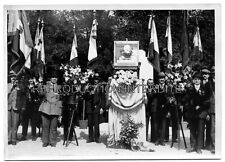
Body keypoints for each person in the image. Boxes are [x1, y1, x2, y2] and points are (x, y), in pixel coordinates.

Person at [186, 72, 211, 154]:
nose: (196, 81)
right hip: (192, 112)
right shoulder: (190, 88)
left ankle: (198, 147)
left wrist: (200, 106)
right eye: (195, 79)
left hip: (201, 112)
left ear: (200, 81)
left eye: (198, 79)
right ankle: (193, 146)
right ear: (193, 80)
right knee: (192, 130)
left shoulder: (205, 88)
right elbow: (186, 100)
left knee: (200, 130)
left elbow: (207, 101)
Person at [38, 70, 62, 147]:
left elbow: (61, 98)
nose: (54, 79)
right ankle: (45, 141)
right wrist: (39, 84)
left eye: (56, 77)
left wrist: (60, 111)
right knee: (45, 126)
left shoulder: (60, 87)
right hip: (46, 109)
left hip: (55, 108)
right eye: (53, 77)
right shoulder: (45, 86)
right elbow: (40, 93)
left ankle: (52, 141)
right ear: (50, 78)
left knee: (54, 126)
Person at [84, 74, 104, 143]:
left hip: (97, 106)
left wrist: (102, 107)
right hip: (90, 106)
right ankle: (90, 137)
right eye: (95, 79)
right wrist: (87, 91)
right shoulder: (89, 87)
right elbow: (85, 97)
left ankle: (97, 137)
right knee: (90, 123)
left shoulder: (100, 87)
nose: (96, 81)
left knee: (96, 123)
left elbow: (102, 98)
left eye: (97, 79)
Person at [8, 72, 27, 145]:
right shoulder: (7, 85)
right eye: (12, 77)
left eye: (14, 77)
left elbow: (24, 96)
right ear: (10, 78)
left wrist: (23, 106)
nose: (13, 78)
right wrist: (12, 86)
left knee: (15, 123)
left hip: (16, 107)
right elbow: (6, 93)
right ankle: (8, 139)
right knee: (8, 124)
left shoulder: (20, 86)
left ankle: (13, 139)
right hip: (8, 107)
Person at [21, 75, 41, 141]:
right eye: (29, 79)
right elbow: (23, 94)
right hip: (26, 106)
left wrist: (35, 90)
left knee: (33, 122)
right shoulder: (25, 87)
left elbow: (38, 96)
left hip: (33, 107)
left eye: (32, 79)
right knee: (25, 122)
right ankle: (24, 135)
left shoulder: (36, 87)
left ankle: (33, 135)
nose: (31, 81)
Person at [155, 72, 170, 146]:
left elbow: (170, 98)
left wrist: (169, 110)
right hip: (157, 108)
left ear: (165, 79)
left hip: (165, 108)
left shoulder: (168, 87)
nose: (161, 80)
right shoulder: (156, 87)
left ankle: (162, 140)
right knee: (157, 125)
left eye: (163, 78)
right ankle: (157, 139)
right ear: (158, 79)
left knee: (164, 125)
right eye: (160, 78)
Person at [201, 67, 212, 150]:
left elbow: (211, 97)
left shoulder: (211, 84)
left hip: (209, 108)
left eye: (206, 74)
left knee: (209, 127)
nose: (205, 75)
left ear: (209, 75)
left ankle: (208, 144)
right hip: (201, 108)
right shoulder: (200, 83)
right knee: (201, 127)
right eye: (203, 74)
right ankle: (200, 145)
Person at [208, 66, 215, 154]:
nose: (214, 75)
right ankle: (214, 146)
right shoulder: (209, 84)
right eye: (213, 73)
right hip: (213, 108)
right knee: (213, 129)